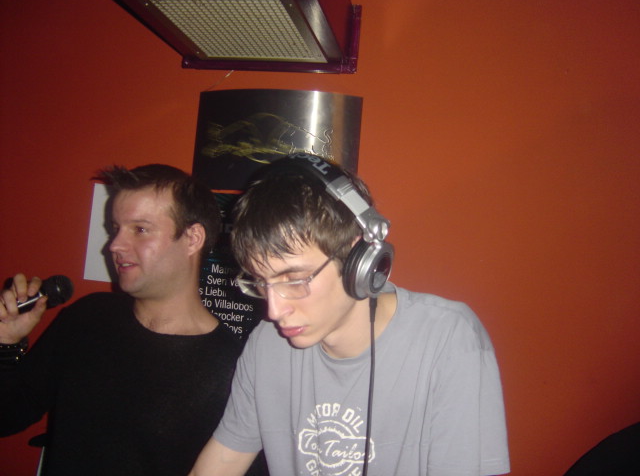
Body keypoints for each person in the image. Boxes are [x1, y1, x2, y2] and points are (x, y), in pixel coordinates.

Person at [189, 153, 511, 476]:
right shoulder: (266, 345)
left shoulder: (448, 339)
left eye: (295, 280)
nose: (274, 310)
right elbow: (224, 460)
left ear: (358, 258)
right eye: (261, 282)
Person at [0, 164, 265, 476]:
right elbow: (8, 416)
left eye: (140, 229)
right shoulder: (87, 318)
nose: (114, 245)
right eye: (115, 228)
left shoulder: (234, 369)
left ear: (193, 238)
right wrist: (6, 343)